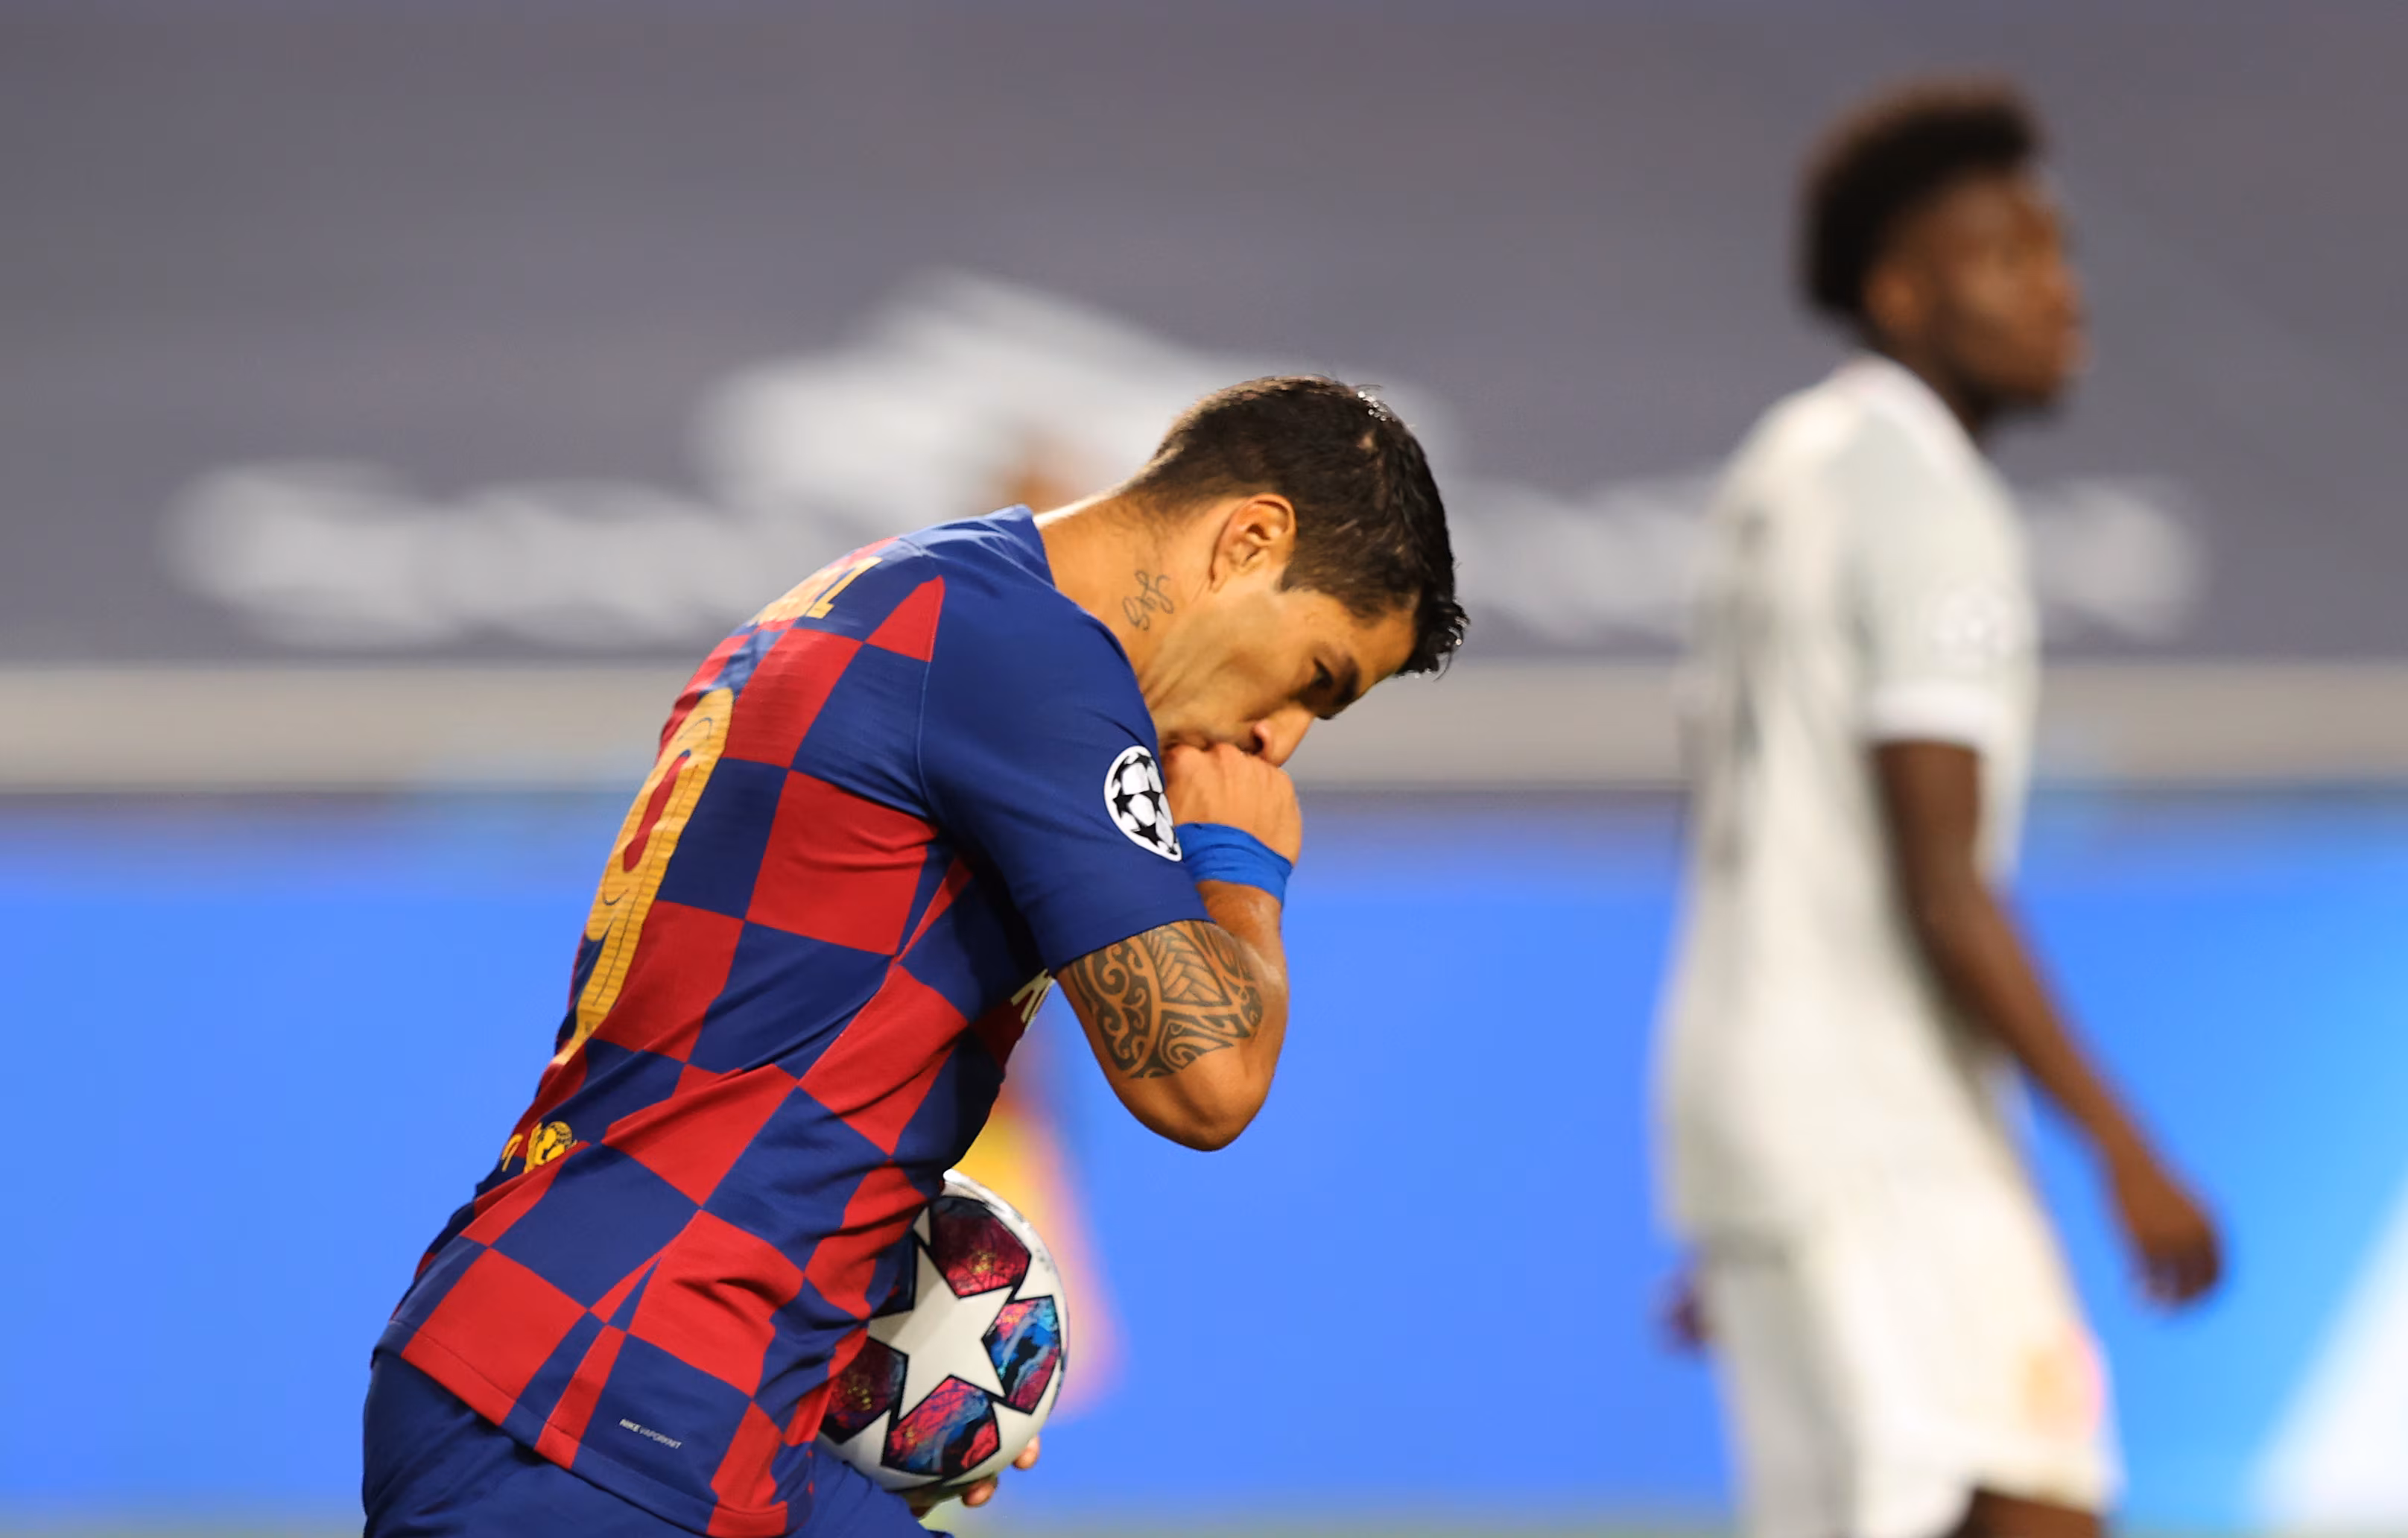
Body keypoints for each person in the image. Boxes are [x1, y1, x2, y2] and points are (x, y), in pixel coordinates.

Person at [364, 376, 1464, 1538]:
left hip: (630, 1384)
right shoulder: (1032, 661)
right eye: (1316, 678)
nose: (1277, 738)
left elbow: (777, 1043)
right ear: (1249, 540)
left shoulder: (926, 596)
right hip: (606, 1403)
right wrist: (1239, 864)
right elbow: (1208, 1082)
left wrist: (904, 1367)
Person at [1654, 80, 2222, 1538]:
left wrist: (1759, 1190)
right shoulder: (1927, 497)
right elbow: (1942, 882)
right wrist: (2121, 1147)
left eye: (2057, 252)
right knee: (2034, 1499)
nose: (2059, 293)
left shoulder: (1779, 467)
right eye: (2008, 257)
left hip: (1756, 1114)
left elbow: (1754, 821)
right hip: (1872, 1123)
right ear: (1900, 292)